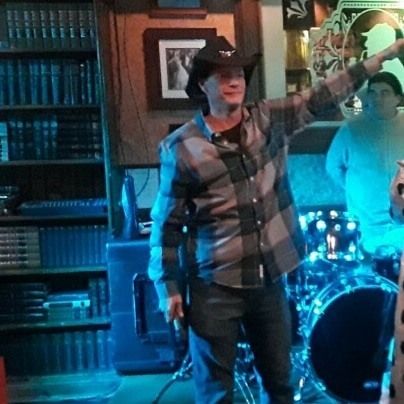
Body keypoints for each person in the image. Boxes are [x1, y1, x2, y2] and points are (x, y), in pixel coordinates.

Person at [148, 36, 404, 403]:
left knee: (279, 386)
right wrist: (168, 287)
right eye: (223, 75)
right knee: (215, 393)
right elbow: (166, 225)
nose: (234, 81)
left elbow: (321, 95)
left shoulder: (268, 119)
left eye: (238, 74)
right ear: (203, 84)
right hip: (215, 286)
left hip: (269, 281)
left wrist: (382, 57)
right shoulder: (182, 148)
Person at [326, 71, 404, 256]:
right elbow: (332, 167)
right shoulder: (352, 128)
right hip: (365, 221)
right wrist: (357, 190)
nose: (378, 98)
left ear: (397, 98)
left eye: (384, 93)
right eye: (373, 93)